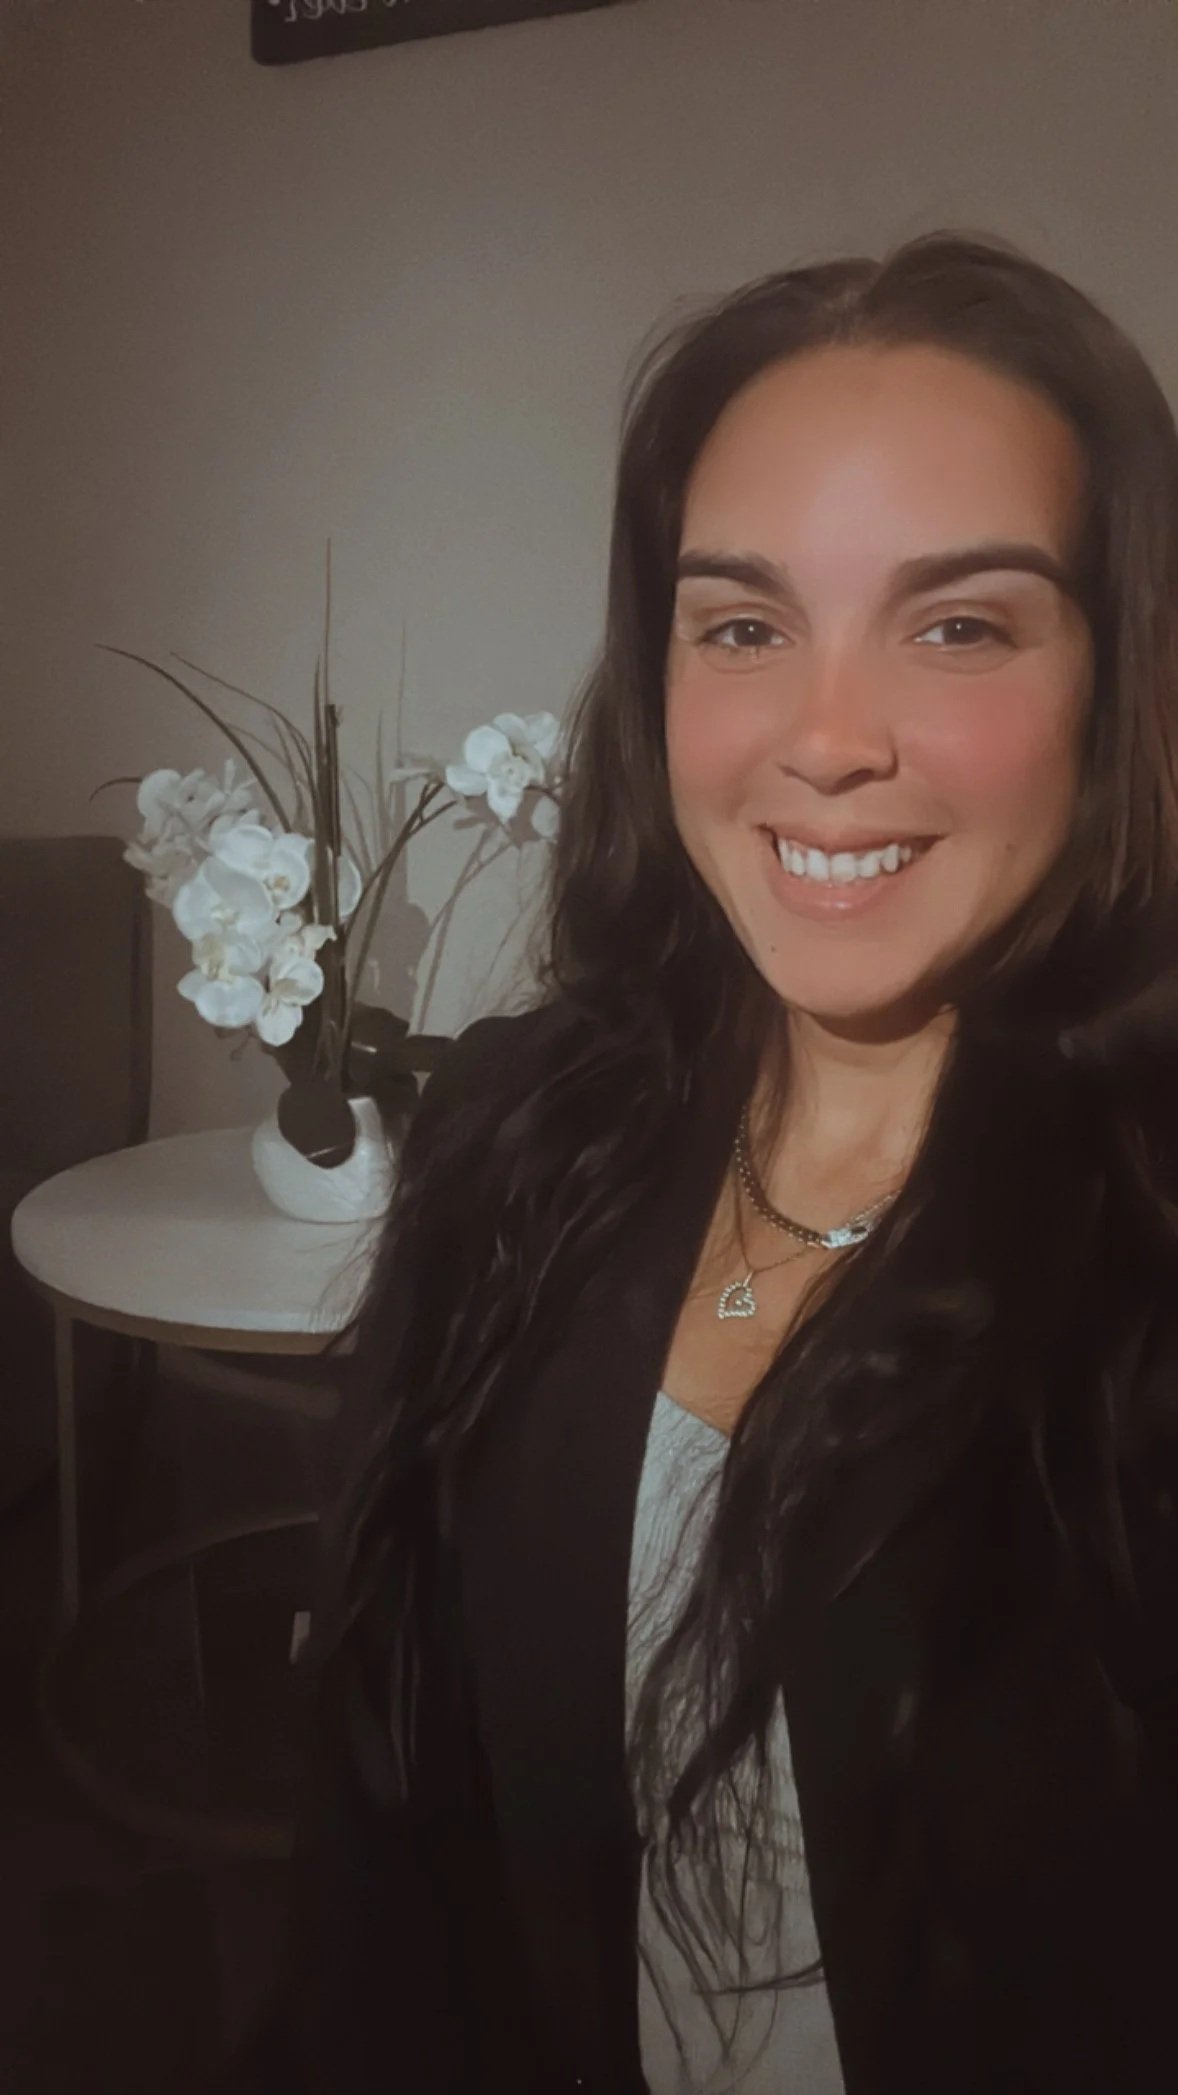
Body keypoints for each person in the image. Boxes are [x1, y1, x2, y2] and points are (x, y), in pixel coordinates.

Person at [236, 228, 1178, 2094]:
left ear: (1115, 682)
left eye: (959, 623)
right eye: (743, 625)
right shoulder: (516, 1142)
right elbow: (383, 1853)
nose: (825, 740)